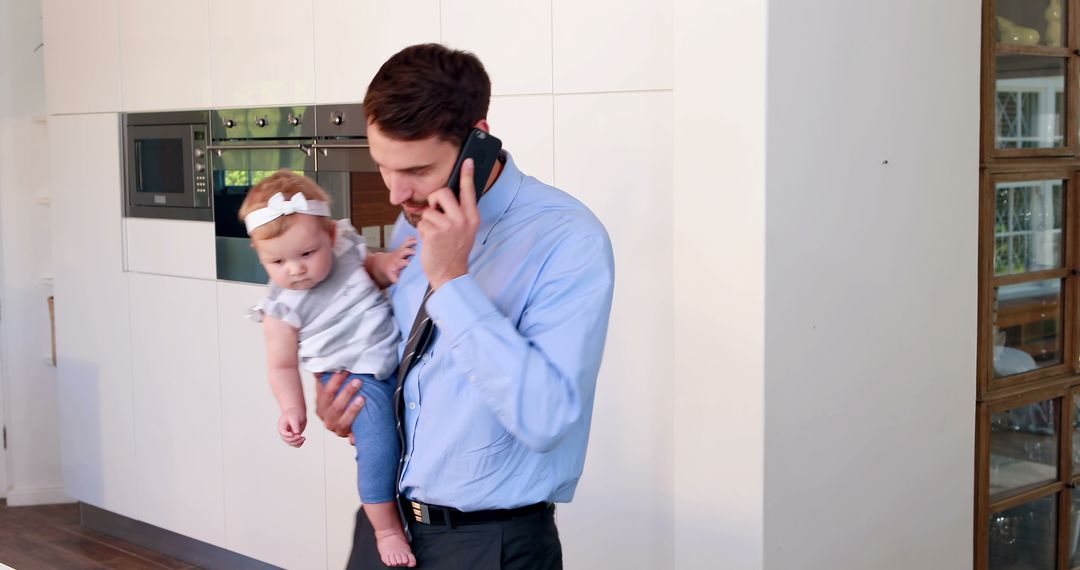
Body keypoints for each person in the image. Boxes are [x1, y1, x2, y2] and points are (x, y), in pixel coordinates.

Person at [316, 43, 616, 569]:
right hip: (387, 529)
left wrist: (452, 281)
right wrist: (351, 406)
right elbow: (403, 366)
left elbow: (546, 419)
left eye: (416, 169)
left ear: (477, 138)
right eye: (383, 166)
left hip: (488, 545)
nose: (395, 193)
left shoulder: (567, 238)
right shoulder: (416, 214)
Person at [240, 171, 418, 568]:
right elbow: (281, 364)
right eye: (277, 261)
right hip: (353, 378)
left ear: (331, 237)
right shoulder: (281, 308)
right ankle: (386, 528)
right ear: (260, 254)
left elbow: (369, 265)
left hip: (393, 359)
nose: (295, 269)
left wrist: (386, 265)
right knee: (378, 447)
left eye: (306, 254)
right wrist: (292, 409)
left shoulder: (346, 251)